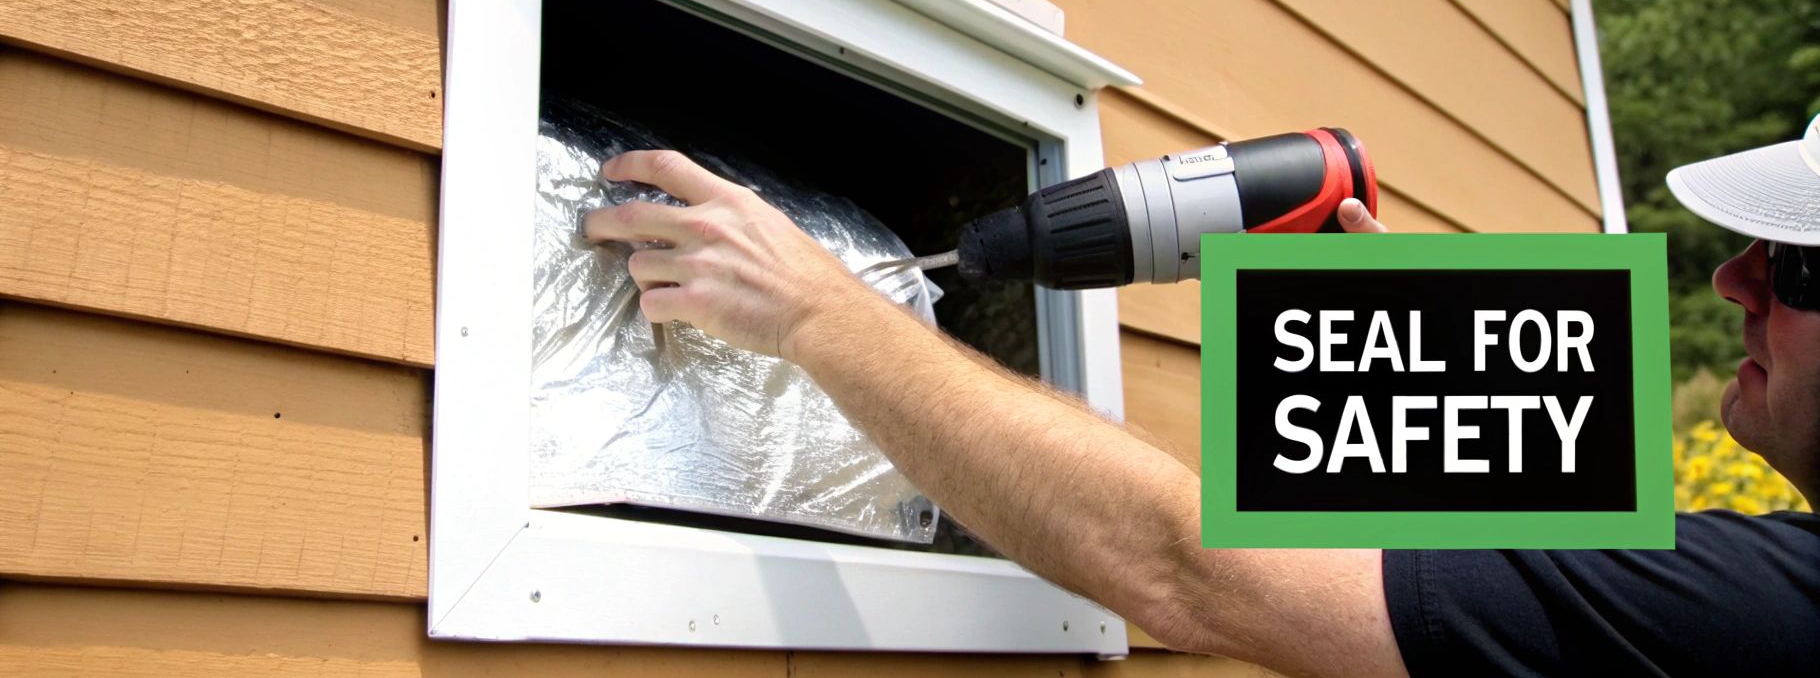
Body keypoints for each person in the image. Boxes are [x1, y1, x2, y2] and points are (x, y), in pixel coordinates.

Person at [583, 118, 1820, 677]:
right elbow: (1497, 620)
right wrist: (1393, 373)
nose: (1731, 278)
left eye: (1797, 265)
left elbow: (1188, 568)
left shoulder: (1773, 608)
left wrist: (814, 307)